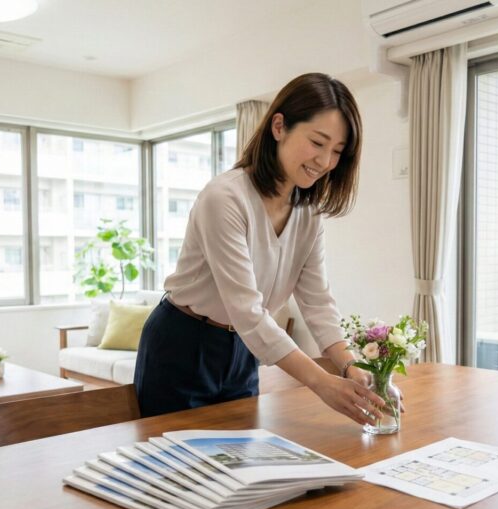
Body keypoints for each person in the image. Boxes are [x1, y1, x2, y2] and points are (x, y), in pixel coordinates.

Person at [133, 72, 388, 426]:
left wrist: (351, 368)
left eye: (337, 152)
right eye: (318, 142)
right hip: (184, 343)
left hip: (242, 348)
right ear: (279, 127)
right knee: (175, 457)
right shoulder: (225, 198)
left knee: (240, 455)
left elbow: (317, 303)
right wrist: (321, 382)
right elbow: (247, 310)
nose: (325, 161)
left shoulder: (309, 213)